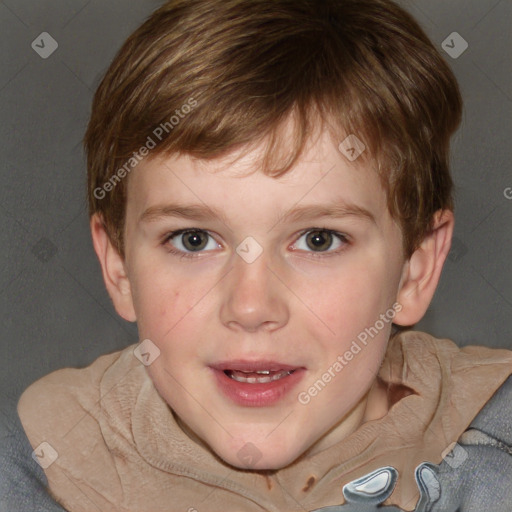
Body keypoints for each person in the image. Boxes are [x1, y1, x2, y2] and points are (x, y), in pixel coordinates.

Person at [15, 0, 512, 510]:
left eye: (319, 239)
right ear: (118, 267)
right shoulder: (43, 458)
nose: (251, 307)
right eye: (194, 240)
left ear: (415, 269)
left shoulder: (491, 449)